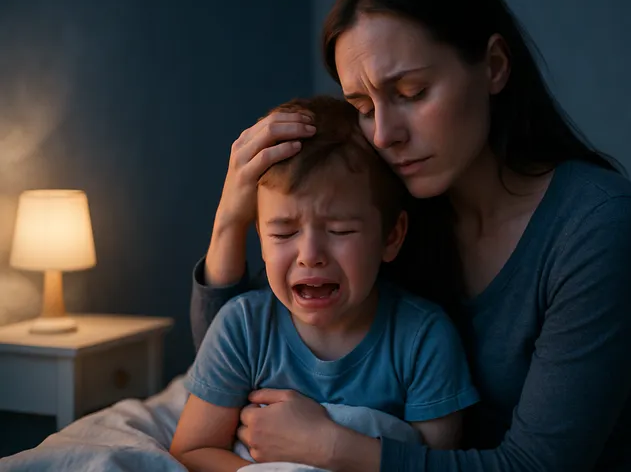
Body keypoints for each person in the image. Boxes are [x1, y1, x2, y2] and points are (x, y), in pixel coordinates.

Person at [190, 0, 631, 470]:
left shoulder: (598, 226)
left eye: (411, 93)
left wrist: (330, 449)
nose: (384, 133)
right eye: (364, 107)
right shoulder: (398, 205)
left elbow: (537, 465)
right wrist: (231, 217)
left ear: (494, 66)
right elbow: (246, 351)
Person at [172, 96, 479, 472]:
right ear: (261, 239)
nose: (310, 255)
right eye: (283, 233)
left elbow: (436, 465)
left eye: (340, 230)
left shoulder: (423, 338)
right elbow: (191, 452)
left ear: (391, 237)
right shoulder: (243, 327)